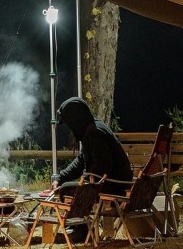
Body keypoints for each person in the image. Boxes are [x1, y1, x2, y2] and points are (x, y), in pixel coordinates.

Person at [52, 97, 133, 241]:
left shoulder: (94, 133)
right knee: (67, 185)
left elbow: (102, 166)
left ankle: (81, 232)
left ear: (76, 120)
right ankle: (79, 227)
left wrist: (83, 179)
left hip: (114, 184)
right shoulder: (92, 128)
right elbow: (82, 160)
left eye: (70, 123)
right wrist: (60, 177)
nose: (70, 128)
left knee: (66, 190)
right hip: (110, 181)